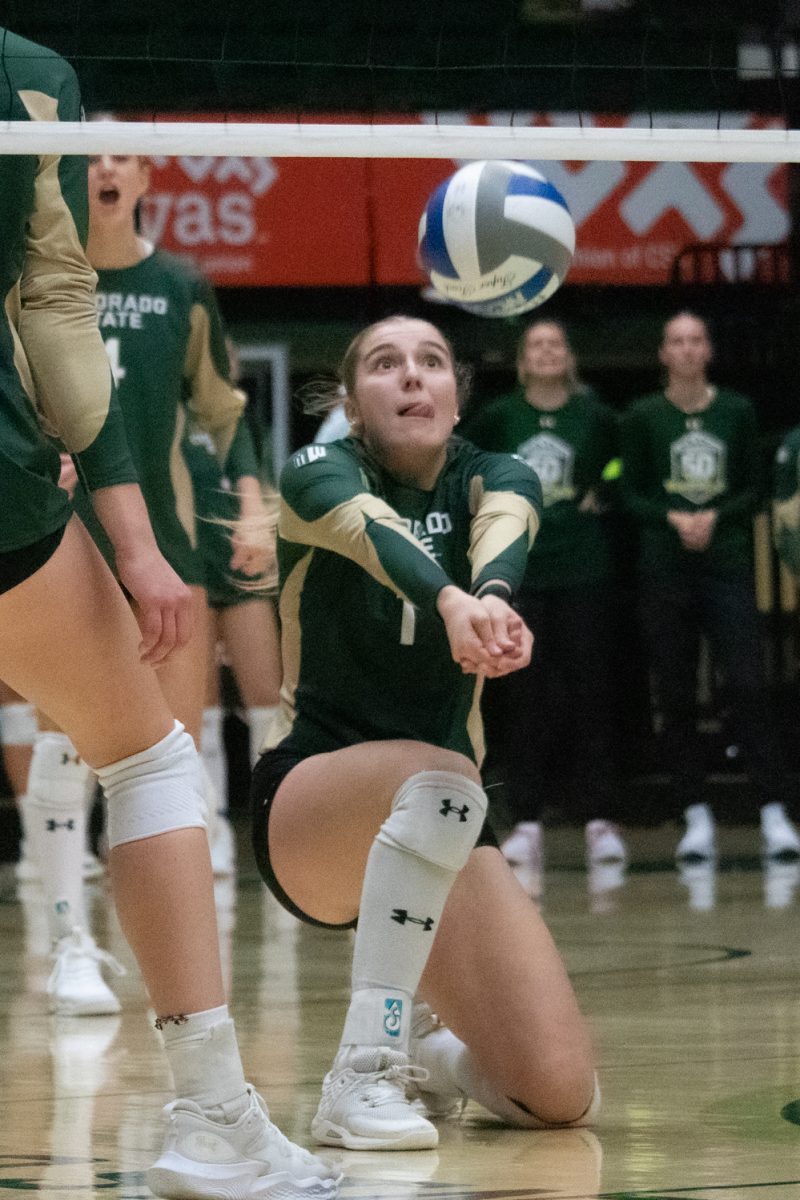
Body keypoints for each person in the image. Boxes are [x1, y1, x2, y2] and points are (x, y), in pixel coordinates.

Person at [0, 27, 338, 1198]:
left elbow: (215, 405)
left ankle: (90, 959)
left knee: (138, 748)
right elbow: (50, 296)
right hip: (23, 491)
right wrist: (129, 538)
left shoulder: (177, 283)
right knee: (140, 757)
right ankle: (210, 1114)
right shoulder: (31, 77)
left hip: (78, 500)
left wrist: (177, 532)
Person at [251, 315, 598, 1151]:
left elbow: (504, 528)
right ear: (351, 402)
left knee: (558, 1096)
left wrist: (494, 602)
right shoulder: (313, 475)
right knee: (442, 773)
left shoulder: (499, 472)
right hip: (313, 807)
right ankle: (360, 1074)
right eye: (385, 364)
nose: (412, 376)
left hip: (441, 822)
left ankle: (429, 1058)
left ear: (456, 392)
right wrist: (452, 602)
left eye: (432, 362)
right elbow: (376, 534)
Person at [25, 144, 274, 1015]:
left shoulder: (180, 286)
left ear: (144, 180)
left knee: (164, 752)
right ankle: (68, 944)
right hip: (61, 538)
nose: (106, 167)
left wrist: (249, 498)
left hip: (163, 542)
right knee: (63, 740)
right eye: (91, 155)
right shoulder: (33, 273)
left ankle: (180, 987)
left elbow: (224, 409)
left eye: (123, 156)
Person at [620, 311, 800, 863]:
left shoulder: (737, 411)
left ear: (708, 351)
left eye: (697, 338)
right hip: (665, 571)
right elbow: (628, 491)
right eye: (677, 339)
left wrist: (716, 517)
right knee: (675, 695)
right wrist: (672, 518)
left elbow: (753, 487)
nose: (688, 348)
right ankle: (694, 815)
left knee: (747, 686)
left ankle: (773, 811)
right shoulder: (643, 416)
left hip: (726, 568)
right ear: (663, 353)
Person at [462, 319, 627, 873]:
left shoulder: (597, 416)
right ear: (522, 360)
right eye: (537, 345)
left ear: (569, 356)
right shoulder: (499, 416)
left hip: (585, 570)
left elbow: (622, 463)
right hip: (522, 576)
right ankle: (526, 820)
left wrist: (601, 487)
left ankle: (600, 820)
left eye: (557, 342)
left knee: (591, 693)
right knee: (524, 699)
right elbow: (472, 472)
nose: (547, 351)